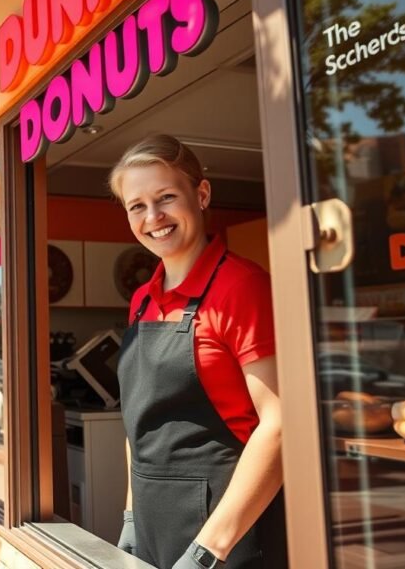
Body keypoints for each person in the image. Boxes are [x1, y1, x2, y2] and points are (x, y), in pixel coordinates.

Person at [109, 135, 285, 569]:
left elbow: (281, 424)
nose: (153, 217)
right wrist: (131, 516)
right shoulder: (142, 301)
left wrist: (209, 551)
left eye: (166, 197)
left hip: (231, 534)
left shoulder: (241, 286)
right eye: (137, 206)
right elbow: (139, 426)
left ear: (201, 194)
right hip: (152, 526)